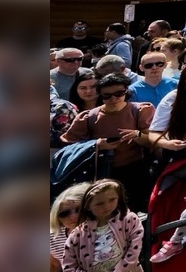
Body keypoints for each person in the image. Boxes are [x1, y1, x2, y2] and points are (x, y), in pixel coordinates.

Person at [61, 73, 156, 209]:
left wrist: (137, 135)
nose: (113, 98)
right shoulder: (89, 117)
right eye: (107, 95)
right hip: (101, 172)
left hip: (136, 170)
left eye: (119, 93)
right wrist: (97, 145)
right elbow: (69, 146)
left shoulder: (140, 110)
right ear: (100, 95)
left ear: (126, 92)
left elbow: (152, 141)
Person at [61, 179, 143, 272]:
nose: (107, 206)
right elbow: (68, 266)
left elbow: (134, 250)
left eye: (112, 200)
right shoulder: (77, 234)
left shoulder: (129, 220)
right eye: (100, 203)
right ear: (88, 206)